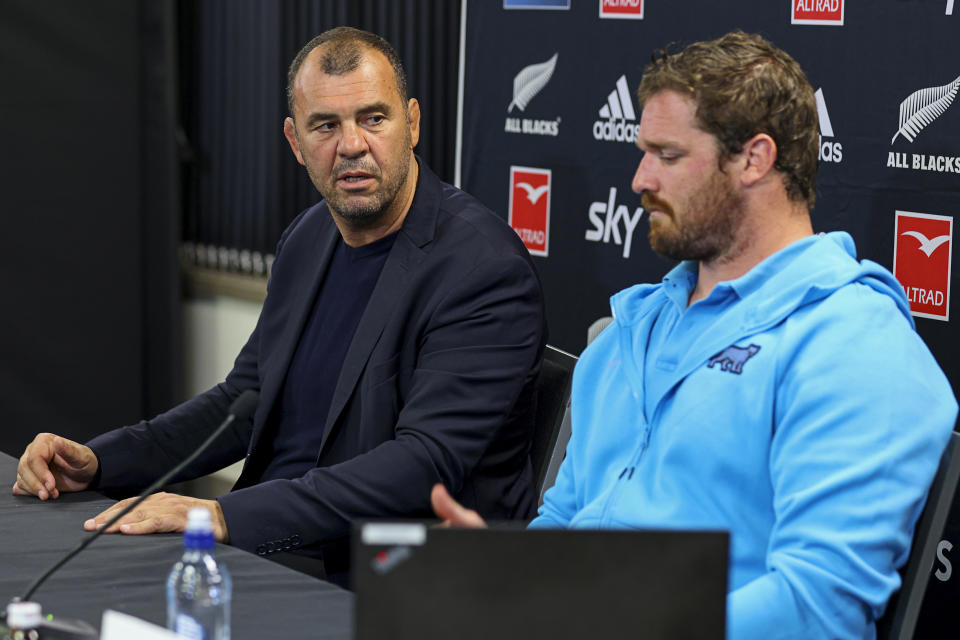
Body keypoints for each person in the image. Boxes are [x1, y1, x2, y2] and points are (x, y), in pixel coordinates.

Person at [431, 31, 957, 638]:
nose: (639, 179)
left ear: (754, 160)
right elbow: (566, 519)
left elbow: (816, 611)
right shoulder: (630, 330)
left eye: (668, 156)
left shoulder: (855, 344)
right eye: (642, 151)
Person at [13, 27, 546, 579]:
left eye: (374, 118)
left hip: (388, 571)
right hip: (272, 545)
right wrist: (102, 462)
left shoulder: (483, 268)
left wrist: (220, 514)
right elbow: (243, 401)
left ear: (412, 123)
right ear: (295, 142)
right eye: (326, 126)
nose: (352, 145)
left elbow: (422, 465)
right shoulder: (308, 237)